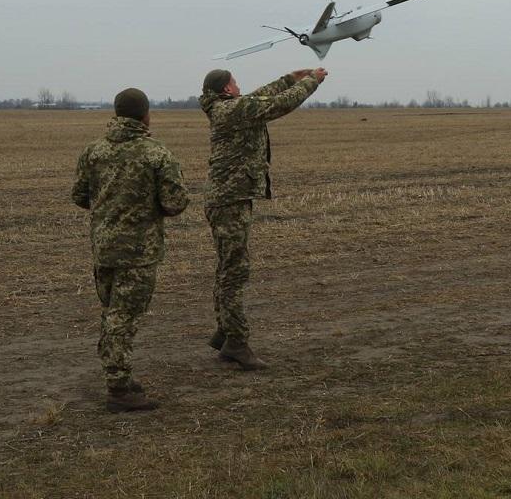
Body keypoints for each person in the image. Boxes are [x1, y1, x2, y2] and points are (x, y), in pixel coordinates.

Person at [199, 67, 327, 369]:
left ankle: (226, 332)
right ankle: (236, 342)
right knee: (234, 272)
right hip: (230, 201)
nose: (239, 86)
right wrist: (311, 82)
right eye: (235, 82)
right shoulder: (233, 110)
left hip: (228, 199)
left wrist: (289, 78)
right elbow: (280, 104)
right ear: (227, 90)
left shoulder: (229, 107)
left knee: (227, 268)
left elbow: (262, 95)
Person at [71, 87, 189, 411]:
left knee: (112, 314)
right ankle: (119, 388)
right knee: (123, 318)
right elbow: (176, 202)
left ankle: (119, 376)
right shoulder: (156, 153)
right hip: (138, 251)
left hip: (104, 247)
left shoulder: (93, 151)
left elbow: (80, 196)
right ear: (145, 115)